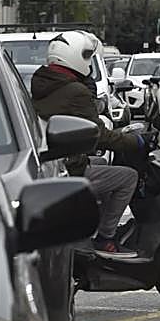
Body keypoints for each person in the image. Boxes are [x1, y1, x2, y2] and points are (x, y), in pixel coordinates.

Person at [30, 31, 144, 258]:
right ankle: (106, 237)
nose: (89, 64)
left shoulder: (44, 82)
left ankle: (91, 229)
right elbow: (98, 134)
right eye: (86, 57)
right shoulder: (75, 91)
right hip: (69, 168)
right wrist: (134, 142)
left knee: (102, 162)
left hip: (55, 160)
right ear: (72, 57)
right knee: (128, 177)